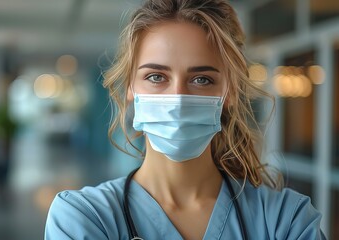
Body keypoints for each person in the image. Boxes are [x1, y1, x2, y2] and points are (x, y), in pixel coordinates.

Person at [45, 0, 325, 239]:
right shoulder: (83, 218)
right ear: (130, 88)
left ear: (229, 93)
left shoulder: (286, 221)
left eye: (201, 79)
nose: (177, 98)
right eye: (156, 77)